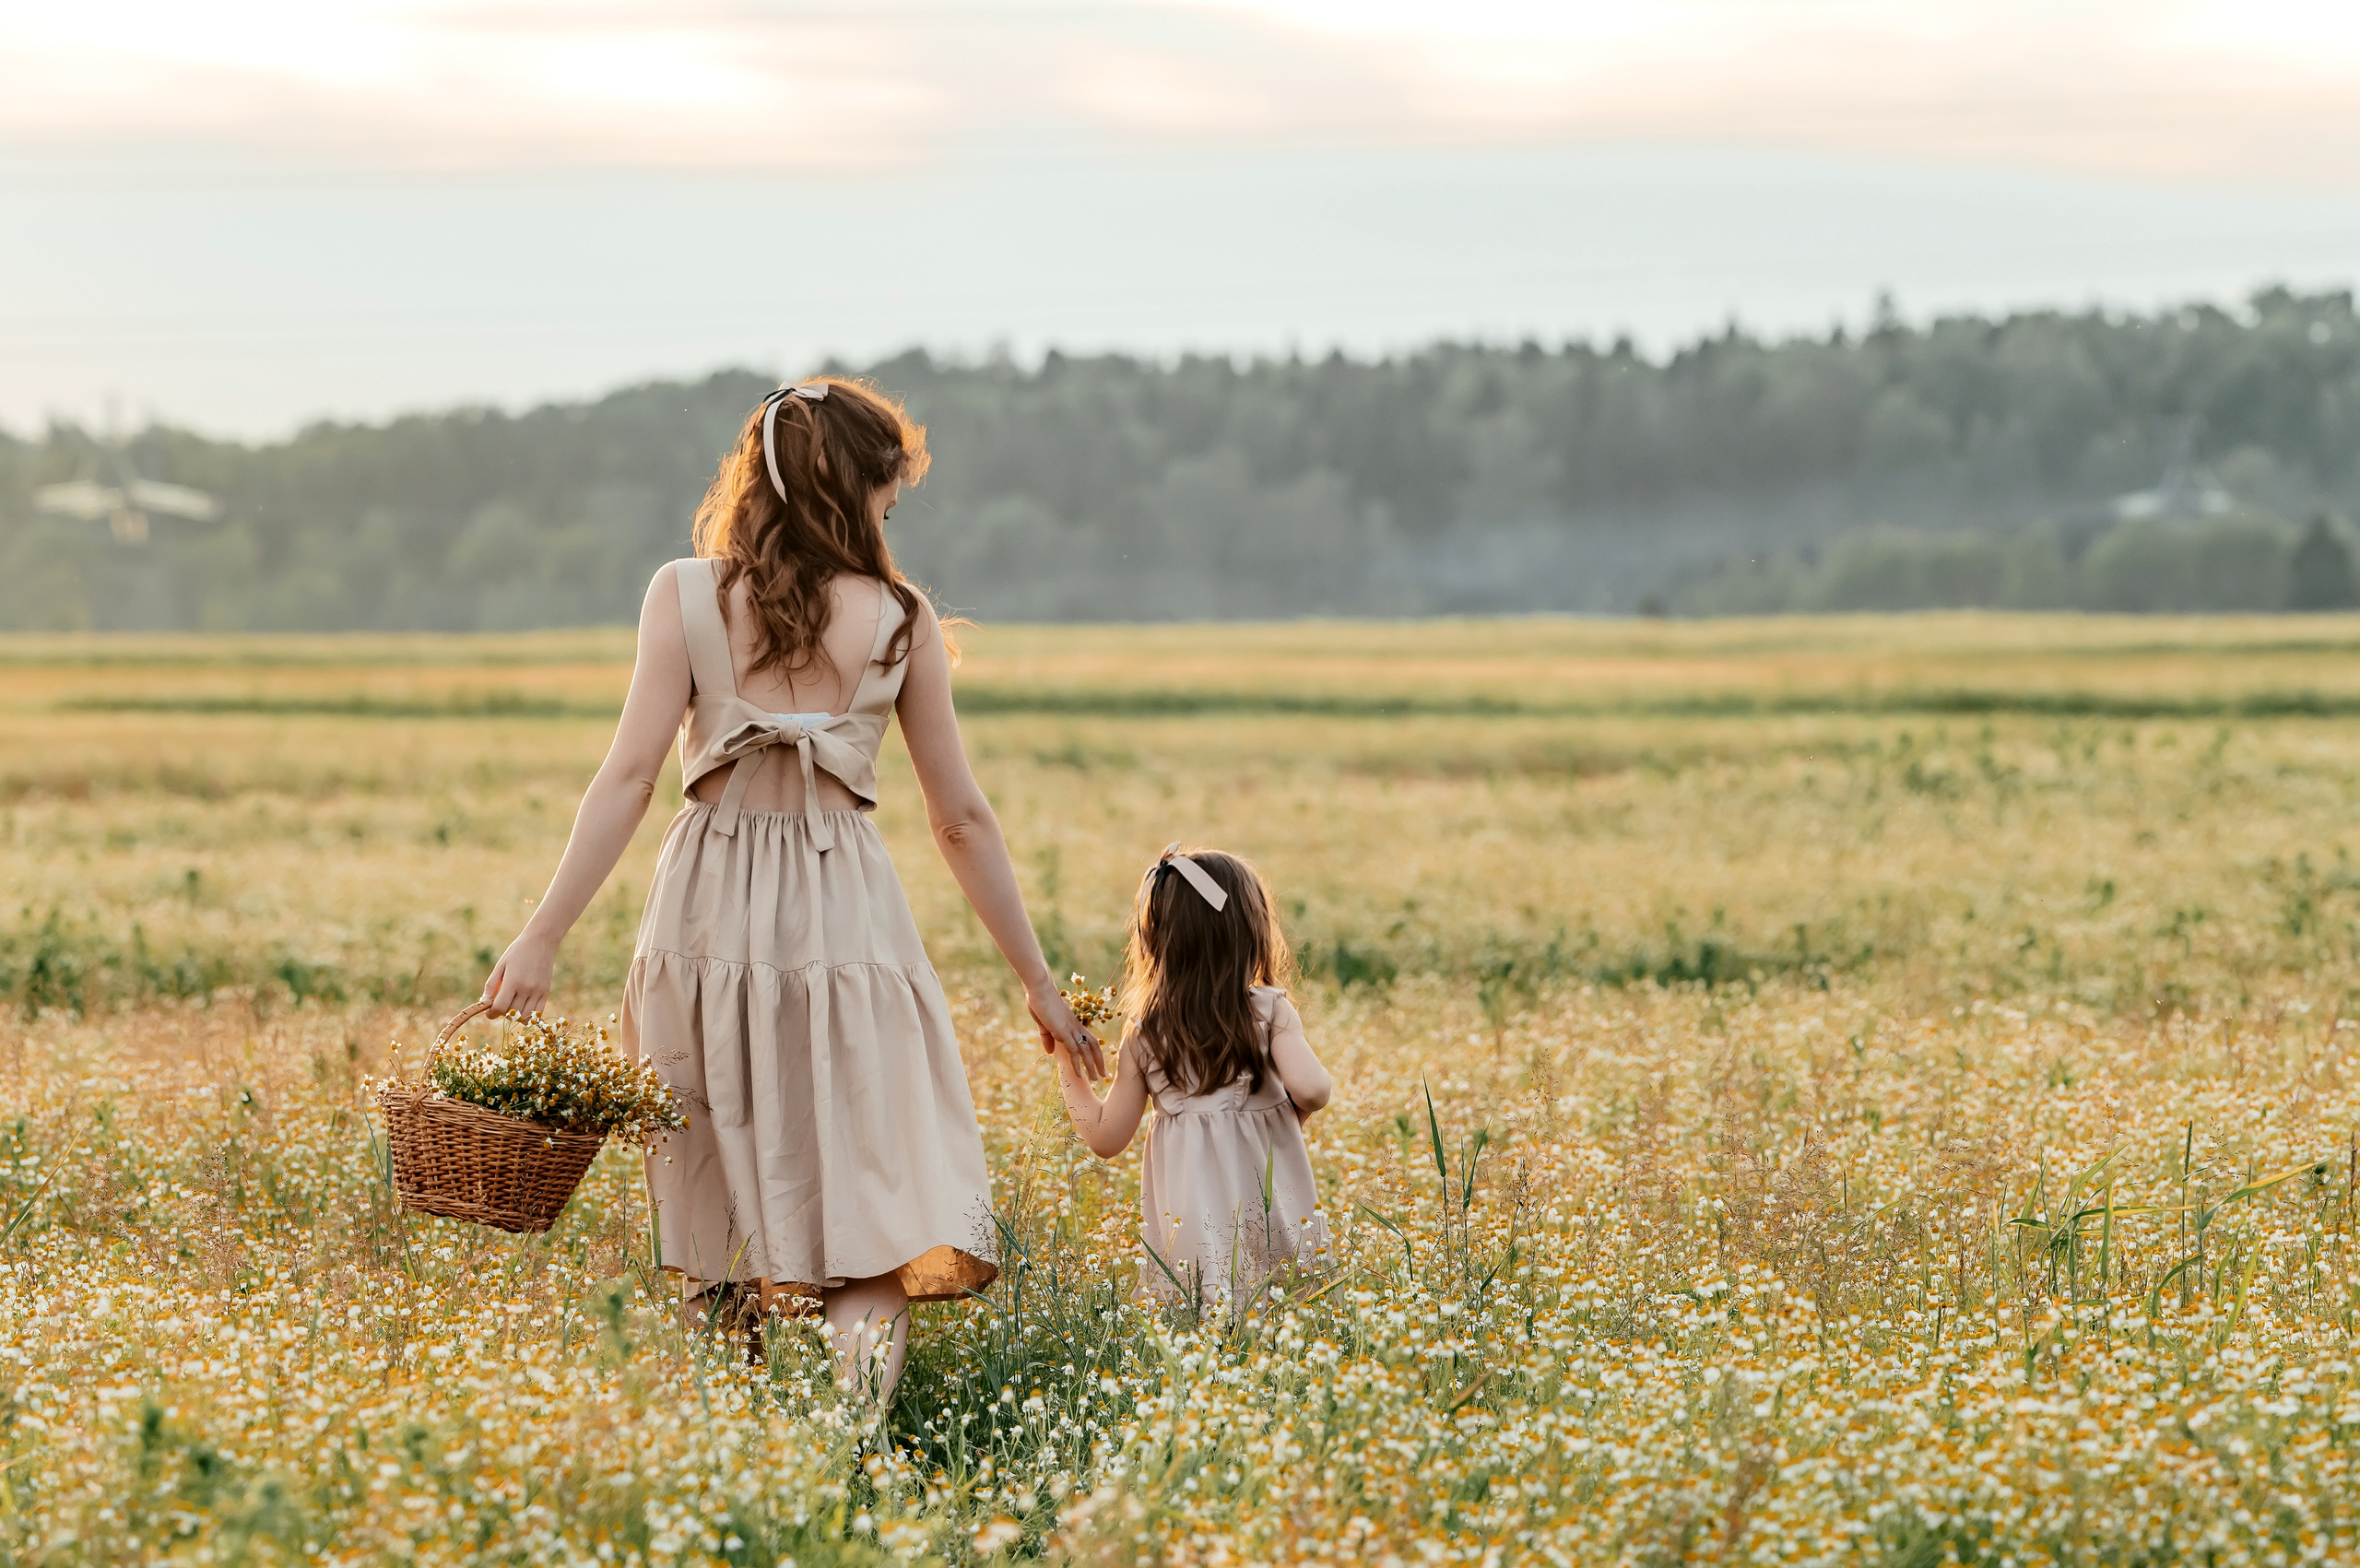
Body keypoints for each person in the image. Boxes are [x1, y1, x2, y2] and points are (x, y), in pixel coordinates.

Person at [480, 377, 1100, 1402]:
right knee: (872, 1201)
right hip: (842, 909)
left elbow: (628, 778)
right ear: (853, 492)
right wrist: (1035, 978)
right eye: (885, 499)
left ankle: (744, 1451)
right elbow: (960, 819)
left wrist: (542, 934)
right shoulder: (899, 618)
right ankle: (850, 1444)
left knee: (712, 1197)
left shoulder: (681, 593)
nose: (888, 519)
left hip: (704, 907)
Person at [1046, 844, 1332, 1308]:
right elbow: (1314, 1089)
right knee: (1281, 1310)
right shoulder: (1269, 1011)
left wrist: (1066, 1061)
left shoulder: (1145, 1033)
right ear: (1249, 931)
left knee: (1199, 1311)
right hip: (1267, 1198)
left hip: (1191, 1214)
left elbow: (1104, 1137)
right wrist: (1287, 1113)